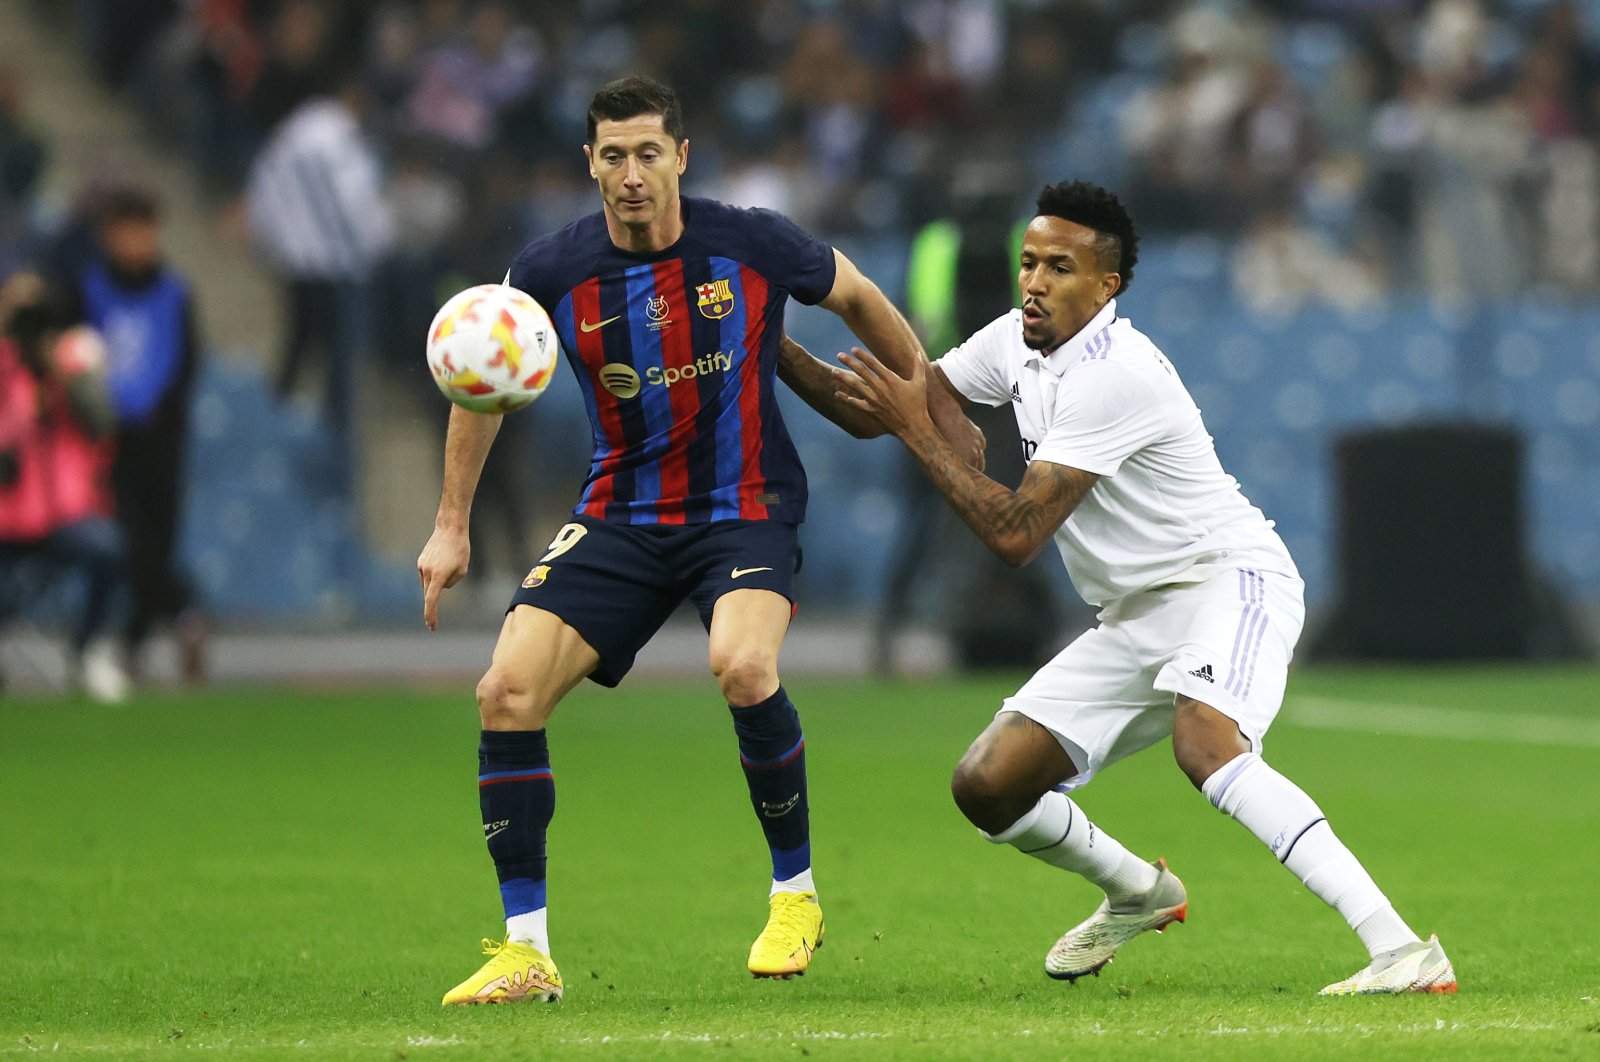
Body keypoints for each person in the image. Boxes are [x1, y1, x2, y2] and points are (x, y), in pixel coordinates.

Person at [785, 180, 1455, 996]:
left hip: (1226, 581)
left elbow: (1014, 535)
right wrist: (766, 346)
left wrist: (914, 428)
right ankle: (1140, 890)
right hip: (1134, 615)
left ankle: (1401, 952)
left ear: (1109, 286)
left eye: (1060, 268)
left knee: (1206, 744)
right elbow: (874, 410)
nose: (1034, 282)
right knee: (988, 785)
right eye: (1029, 263)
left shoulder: (1117, 372)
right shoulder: (1013, 341)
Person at [416, 76, 982, 1006]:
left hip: (743, 505)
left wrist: (930, 399)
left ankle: (794, 895)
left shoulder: (752, 240)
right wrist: (449, 524)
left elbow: (862, 298)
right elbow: (482, 383)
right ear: (588, 164)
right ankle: (527, 953)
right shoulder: (549, 271)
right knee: (505, 692)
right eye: (612, 156)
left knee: (743, 667)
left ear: (681, 156)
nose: (631, 174)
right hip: (621, 516)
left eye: (648, 153)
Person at [76, 187, 207, 683]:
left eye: (142, 230)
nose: (133, 242)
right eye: (123, 231)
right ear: (109, 237)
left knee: (159, 541)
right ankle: (186, 612)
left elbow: (186, 361)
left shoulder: (175, 291)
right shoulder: (88, 290)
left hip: (163, 439)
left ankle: (132, 644)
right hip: (107, 442)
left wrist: (160, 414)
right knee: (131, 542)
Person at [0, 275, 127, 702]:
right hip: (8, 513)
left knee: (108, 551)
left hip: (63, 512)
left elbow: (102, 424)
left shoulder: (72, 363)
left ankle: (88, 649)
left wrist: (67, 375)